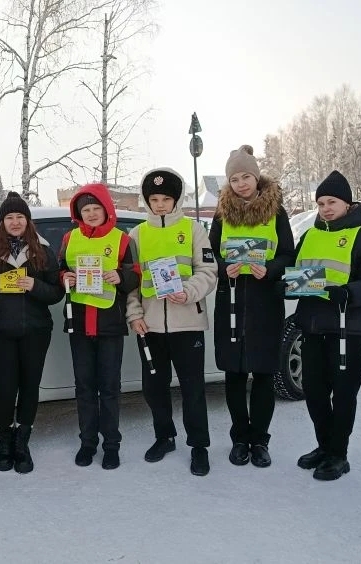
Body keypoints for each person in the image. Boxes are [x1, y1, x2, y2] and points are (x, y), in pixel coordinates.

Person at [290, 170, 361, 481]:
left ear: (347, 203)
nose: (326, 208)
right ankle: (324, 446)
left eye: (332, 202)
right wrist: (286, 285)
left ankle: (338, 454)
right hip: (313, 327)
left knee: (343, 395)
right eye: (320, 203)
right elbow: (296, 273)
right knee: (314, 392)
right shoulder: (310, 235)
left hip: (348, 330)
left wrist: (348, 292)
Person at [208, 145, 296, 468]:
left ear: (256, 177)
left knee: (263, 374)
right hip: (230, 301)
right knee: (234, 374)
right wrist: (223, 268)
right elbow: (209, 255)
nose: (241, 184)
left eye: (246, 177)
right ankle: (239, 439)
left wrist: (270, 269)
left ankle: (259, 440)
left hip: (264, 303)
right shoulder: (221, 214)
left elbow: (288, 254)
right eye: (234, 179)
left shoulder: (277, 213)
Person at [126, 168, 218, 476]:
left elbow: (208, 270)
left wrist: (189, 291)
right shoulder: (137, 234)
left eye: (166, 199)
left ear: (176, 200)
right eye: (154, 199)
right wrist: (134, 315)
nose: (160, 205)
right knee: (154, 388)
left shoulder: (193, 229)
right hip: (150, 326)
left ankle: (199, 446)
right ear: (147, 201)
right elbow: (131, 282)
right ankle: (164, 437)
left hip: (187, 323)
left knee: (193, 389)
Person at [0, 192, 64, 474]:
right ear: (2, 222)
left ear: (28, 221)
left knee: (30, 386)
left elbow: (56, 292)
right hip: (1, 332)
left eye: (20, 216)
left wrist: (34, 286)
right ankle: (4, 440)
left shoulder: (42, 251)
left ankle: (22, 441)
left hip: (35, 331)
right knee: (4, 389)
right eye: (9, 217)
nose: (15, 222)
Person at [58, 183, 138, 470]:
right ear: (79, 214)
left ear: (107, 210)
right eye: (86, 210)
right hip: (79, 323)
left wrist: (121, 277)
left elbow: (136, 275)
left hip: (109, 324)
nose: (91, 214)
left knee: (110, 388)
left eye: (96, 209)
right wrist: (64, 277)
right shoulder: (69, 238)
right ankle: (88, 443)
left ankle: (111, 445)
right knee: (84, 388)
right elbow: (59, 268)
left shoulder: (122, 240)